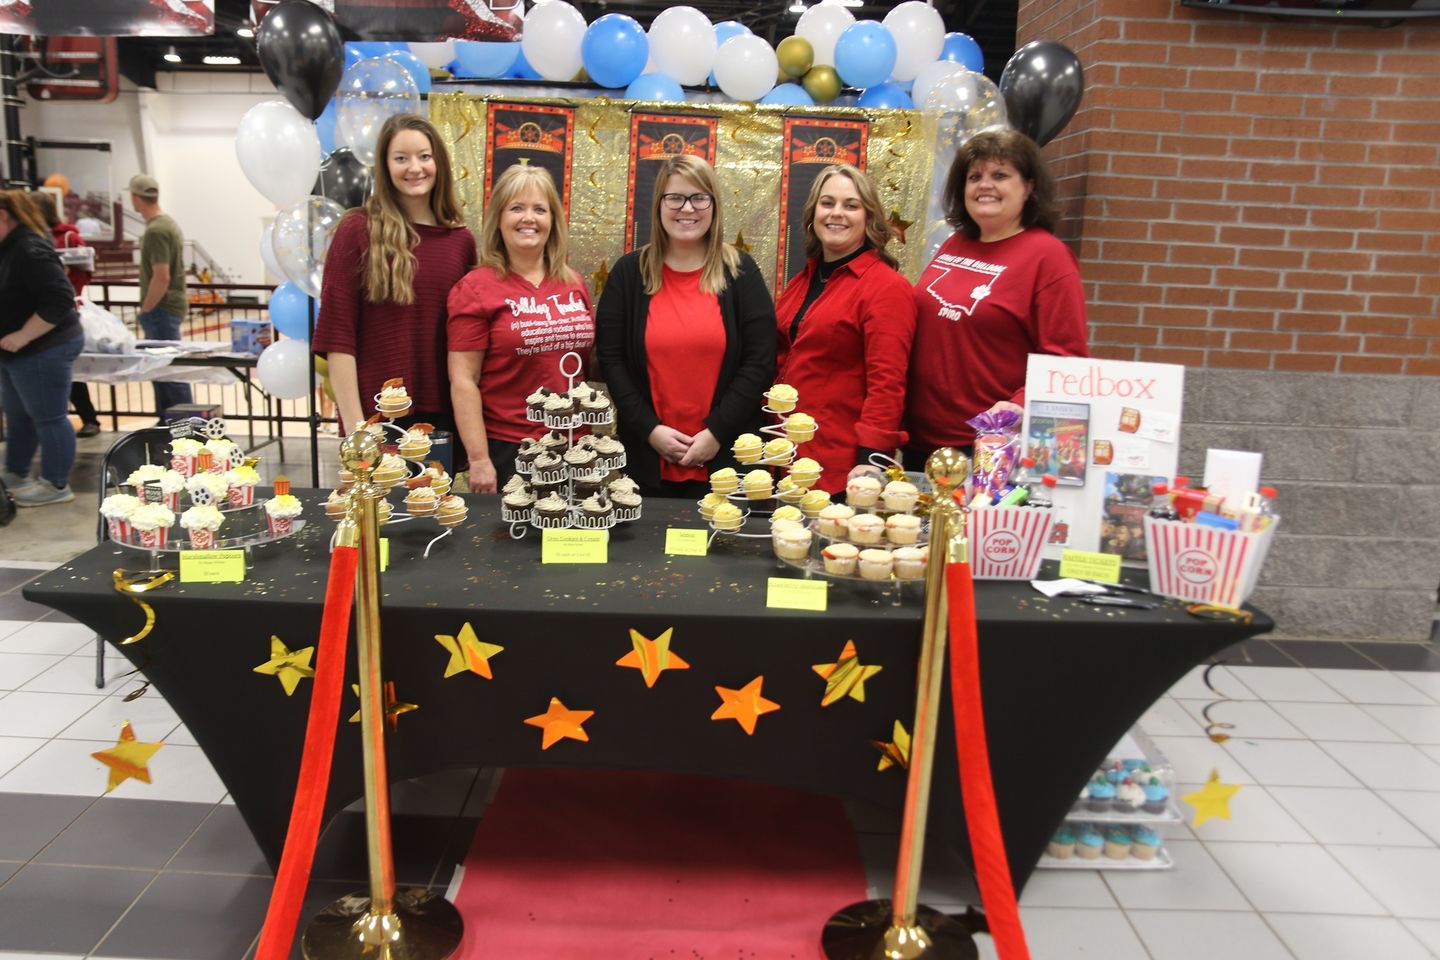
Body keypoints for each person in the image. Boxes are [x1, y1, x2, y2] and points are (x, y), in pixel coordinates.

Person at [905, 129, 1089, 465]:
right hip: (922, 443)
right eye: (975, 176)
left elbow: (1066, 363)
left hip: (990, 447)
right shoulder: (956, 243)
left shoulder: (1049, 258)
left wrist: (1018, 404)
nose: (984, 185)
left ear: (1029, 186)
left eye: (1000, 175)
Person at [596, 155, 775, 498]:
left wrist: (716, 433)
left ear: (714, 204)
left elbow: (760, 361)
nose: (687, 208)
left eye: (699, 197)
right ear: (659, 204)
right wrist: (650, 430)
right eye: (675, 197)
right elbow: (612, 361)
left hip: (726, 461)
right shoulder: (628, 274)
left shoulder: (740, 272)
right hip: (647, 461)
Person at [312, 113, 477, 459]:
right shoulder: (357, 230)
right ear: (385, 167)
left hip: (440, 419)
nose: (414, 167)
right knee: (379, 514)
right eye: (401, 158)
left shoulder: (459, 240)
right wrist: (357, 431)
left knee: (434, 512)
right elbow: (338, 338)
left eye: (424, 156)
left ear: (439, 163)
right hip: (376, 419)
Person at [448, 165, 593, 493]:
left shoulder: (574, 282)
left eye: (539, 209)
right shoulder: (475, 289)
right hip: (511, 451)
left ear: (552, 220)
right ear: (498, 219)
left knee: (571, 545)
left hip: (576, 447)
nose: (529, 218)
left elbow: (584, 363)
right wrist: (479, 458)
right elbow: (463, 380)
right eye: (517, 208)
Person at [773, 164, 915, 495]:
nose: (837, 213)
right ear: (813, 213)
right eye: (828, 203)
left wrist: (871, 459)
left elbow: (888, 383)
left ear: (869, 218)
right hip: (786, 457)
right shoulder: (804, 280)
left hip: (841, 468)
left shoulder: (886, 288)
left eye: (851, 205)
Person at [0, 190, 84, 506]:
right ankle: (16, 471)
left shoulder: (28, 248)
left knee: (49, 417)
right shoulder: (10, 247)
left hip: (43, 347)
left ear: (3, 215)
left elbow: (60, 299)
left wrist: (23, 335)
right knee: (18, 414)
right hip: (15, 351)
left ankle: (56, 483)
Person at [29, 191, 100, 438]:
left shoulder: (68, 237)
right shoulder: (28, 238)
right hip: (36, 315)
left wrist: (64, 275)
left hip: (63, 313)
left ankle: (88, 418)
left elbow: (85, 273)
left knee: (70, 371)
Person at [129, 173, 193, 416]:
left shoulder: (156, 230)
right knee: (165, 370)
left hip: (161, 309)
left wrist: (147, 308)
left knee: (168, 371)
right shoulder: (168, 224)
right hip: (169, 307)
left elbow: (161, 275)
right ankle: (171, 424)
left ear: (136, 198)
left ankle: (183, 426)